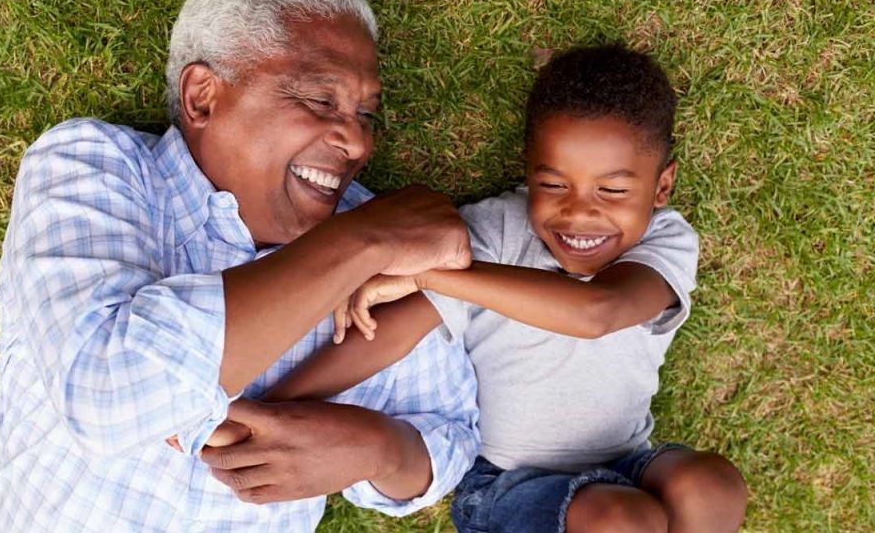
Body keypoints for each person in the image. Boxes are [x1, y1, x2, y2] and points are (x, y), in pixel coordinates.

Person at [0, 0, 480, 532]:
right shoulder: (92, 168)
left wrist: (376, 449)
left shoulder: (382, 241)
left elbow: (448, 437)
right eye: (321, 100)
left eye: (365, 113)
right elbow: (107, 395)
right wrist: (361, 242)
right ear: (203, 97)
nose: (357, 141)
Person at [254, 46, 749, 532]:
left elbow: (600, 310)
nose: (579, 213)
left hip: (630, 461)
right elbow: (388, 334)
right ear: (529, 171)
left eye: (613, 191)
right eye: (554, 185)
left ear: (661, 188)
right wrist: (271, 407)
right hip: (506, 485)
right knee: (625, 520)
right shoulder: (497, 231)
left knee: (713, 486)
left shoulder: (665, 240)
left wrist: (430, 272)